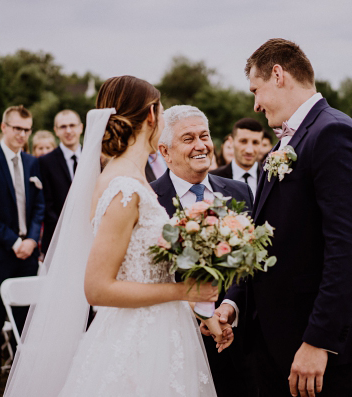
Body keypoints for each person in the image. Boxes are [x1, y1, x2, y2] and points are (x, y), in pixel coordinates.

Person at [4, 76, 219, 396]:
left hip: (162, 331)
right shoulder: (123, 187)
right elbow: (98, 289)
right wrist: (183, 291)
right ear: (150, 115)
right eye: (161, 112)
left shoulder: (135, 179)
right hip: (135, 343)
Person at [215, 38, 352, 397]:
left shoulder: (334, 134)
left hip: (316, 350)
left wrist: (319, 342)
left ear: (278, 75)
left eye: (256, 90)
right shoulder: (284, 144)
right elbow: (270, 241)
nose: (255, 105)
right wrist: (234, 301)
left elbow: (348, 250)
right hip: (276, 342)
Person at [149, 105, 255, 397]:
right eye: (188, 138)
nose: (201, 146)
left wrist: (228, 308)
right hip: (175, 346)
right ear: (165, 151)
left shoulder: (239, 192)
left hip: (238, 348)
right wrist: (199, 312)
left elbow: (251, 264)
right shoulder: (149, 201)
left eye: (205, 136)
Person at [0, 105, 46, 397]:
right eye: (17, 128)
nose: (22, 135)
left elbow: (40, 205)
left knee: (25, 318)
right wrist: (14, 242)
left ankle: (23, 375)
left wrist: (32, 241)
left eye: (26, 130)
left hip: (28, 251)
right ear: (4, 127)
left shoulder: (31, 162)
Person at [37, 109, 82, 255]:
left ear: (80, 127)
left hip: (88, 236)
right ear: (56, 130)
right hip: (57, 240)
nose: (68, 130)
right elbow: (46, 204)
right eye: (63, 127)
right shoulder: (45, 162)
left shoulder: (95, 157)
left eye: (72, 125)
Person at [212, 117, 266, 197]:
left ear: (261, 144)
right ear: (231, 141)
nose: (249, 150)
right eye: (243, 141)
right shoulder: (214, 178)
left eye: (255, 142)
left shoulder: (270, 177)